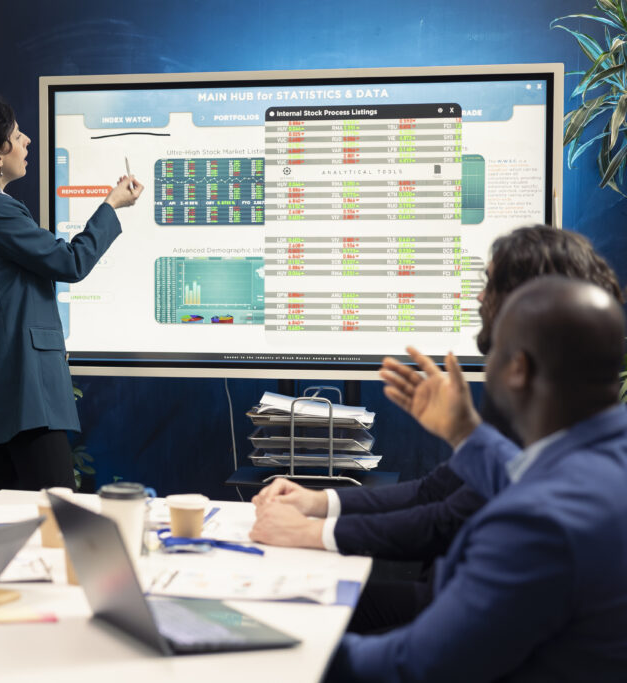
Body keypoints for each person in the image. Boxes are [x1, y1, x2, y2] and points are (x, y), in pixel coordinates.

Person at [249, 225, 623, 631]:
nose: (479, 297)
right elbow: (439, 491)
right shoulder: (536, 404)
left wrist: (313, 532)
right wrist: (318, 503)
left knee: (288, 612)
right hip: (459, 597)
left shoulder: (551, 425)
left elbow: (447, 522)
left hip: (470, 610)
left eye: (489, 284)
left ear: (530, 305)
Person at [328, 276, 627, 681]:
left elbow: (418, 665)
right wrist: (465, 432)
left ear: (517, 368)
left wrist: (293, 645)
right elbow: (525, 479)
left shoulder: (538, 525)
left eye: (496, 352)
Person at [0, 95, 143, 494]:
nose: (27, 140)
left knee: (9, 512)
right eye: (16, 135)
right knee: (57, 511)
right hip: (23, 391)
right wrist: (112, 205)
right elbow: (71, 263)